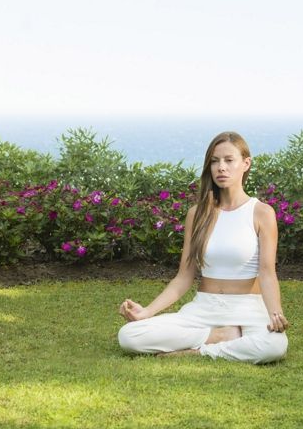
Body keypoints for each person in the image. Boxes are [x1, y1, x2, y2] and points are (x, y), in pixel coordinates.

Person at [117, 131, 288, 363]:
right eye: (215, 161)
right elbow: (184, 277)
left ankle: (203, 351)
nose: (221, 167)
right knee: (129, 335)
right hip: (203, 309)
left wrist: (275, 313)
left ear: (246, 164)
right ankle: (218, 336)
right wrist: (146, 312)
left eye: (229, 160)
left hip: (247, 308)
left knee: (275, 345)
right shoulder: (197, 214)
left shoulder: (261, 213)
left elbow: (267, 272)